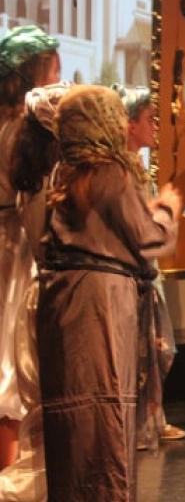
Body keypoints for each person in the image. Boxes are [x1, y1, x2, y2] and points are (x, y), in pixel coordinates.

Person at [36, 84, 181, 500]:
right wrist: (166, 208)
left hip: (61, 296)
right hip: (101, 298)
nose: (121, 123)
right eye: (115, 115)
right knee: (105, 406)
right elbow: (150, 239)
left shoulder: (61, 172)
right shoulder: (110, 171)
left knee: (72, 411)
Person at [0, 81, 68, 501]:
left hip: (32, 280)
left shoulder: (36, 180)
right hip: (40, 285)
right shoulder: (47, 185)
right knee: (24, 380)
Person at [115, 84, 185, 445]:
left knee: (157, 346)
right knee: (140, 348)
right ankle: (136, 423)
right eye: (149, 119)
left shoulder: (136, 167)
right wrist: (162, 210)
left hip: (146, 268)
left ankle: (151, 419)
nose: (155, 126)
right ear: (130, 125)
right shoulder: (119, 170)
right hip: (131, 269)